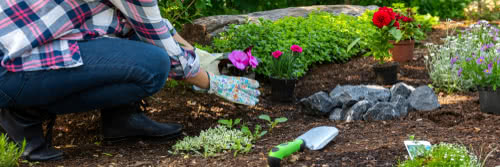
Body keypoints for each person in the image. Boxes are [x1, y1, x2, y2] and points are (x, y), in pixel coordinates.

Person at [0, 0, 260, 161]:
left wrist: (201, 56)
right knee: (154, 65)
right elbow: (164, 50)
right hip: (8, 67)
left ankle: (120, 120)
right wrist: (213, 82)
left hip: (23, 49)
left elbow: (152, 23)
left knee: (137, 39)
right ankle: (24, 113)